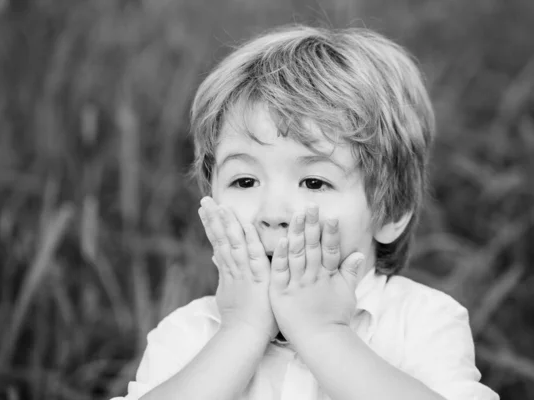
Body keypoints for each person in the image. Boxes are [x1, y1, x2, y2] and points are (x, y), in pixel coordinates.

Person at [111, 24, 499, 400]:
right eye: (245, 181)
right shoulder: (189, 333)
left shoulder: (421, 322)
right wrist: (241, 331)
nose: (273, 213)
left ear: (391, 210)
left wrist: (323, 332)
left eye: (315, 182)